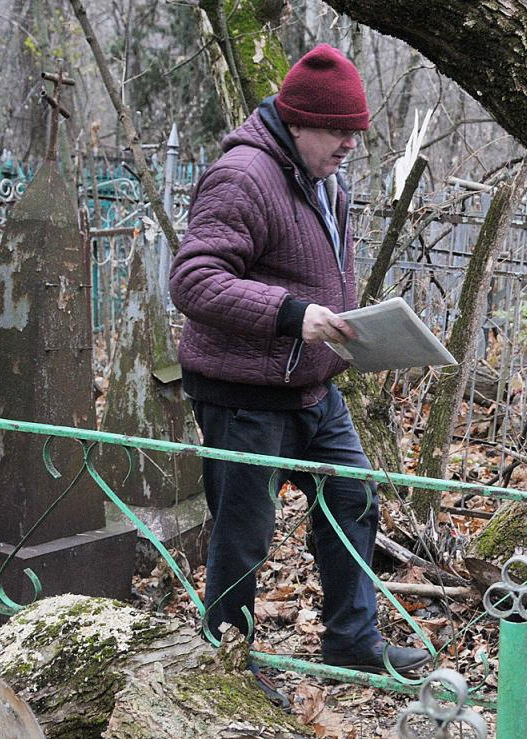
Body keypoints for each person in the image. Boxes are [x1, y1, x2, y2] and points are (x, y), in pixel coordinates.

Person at [169, 44, 430, 697]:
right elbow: (193, 281)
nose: (349, 144)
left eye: (356, 132)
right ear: (296, 120)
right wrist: (292, 314)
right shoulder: (245, 176)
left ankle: (353, 639)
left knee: (353, 496)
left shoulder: (323, 179)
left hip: (311, 384)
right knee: (244, 533)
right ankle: (226, 664)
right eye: (337, 131)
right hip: (243, 393)